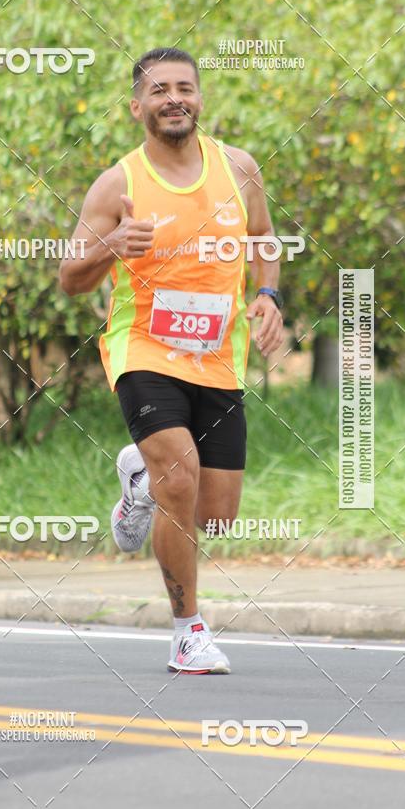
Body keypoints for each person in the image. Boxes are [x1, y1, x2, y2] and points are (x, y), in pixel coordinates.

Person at [59, 47, 284, 674]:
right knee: (179, 478)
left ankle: (139, 480)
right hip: (144, 348)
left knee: (215, 516)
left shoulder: (238, 169)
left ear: (200, 99)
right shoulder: (119, 183)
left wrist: (267, 295)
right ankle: (188, 631)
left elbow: (264, 240)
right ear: (138, 107)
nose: (173, 98)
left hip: (217, 355)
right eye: (159, 91)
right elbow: (71, 278)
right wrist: (111, 243)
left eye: (184, 87)